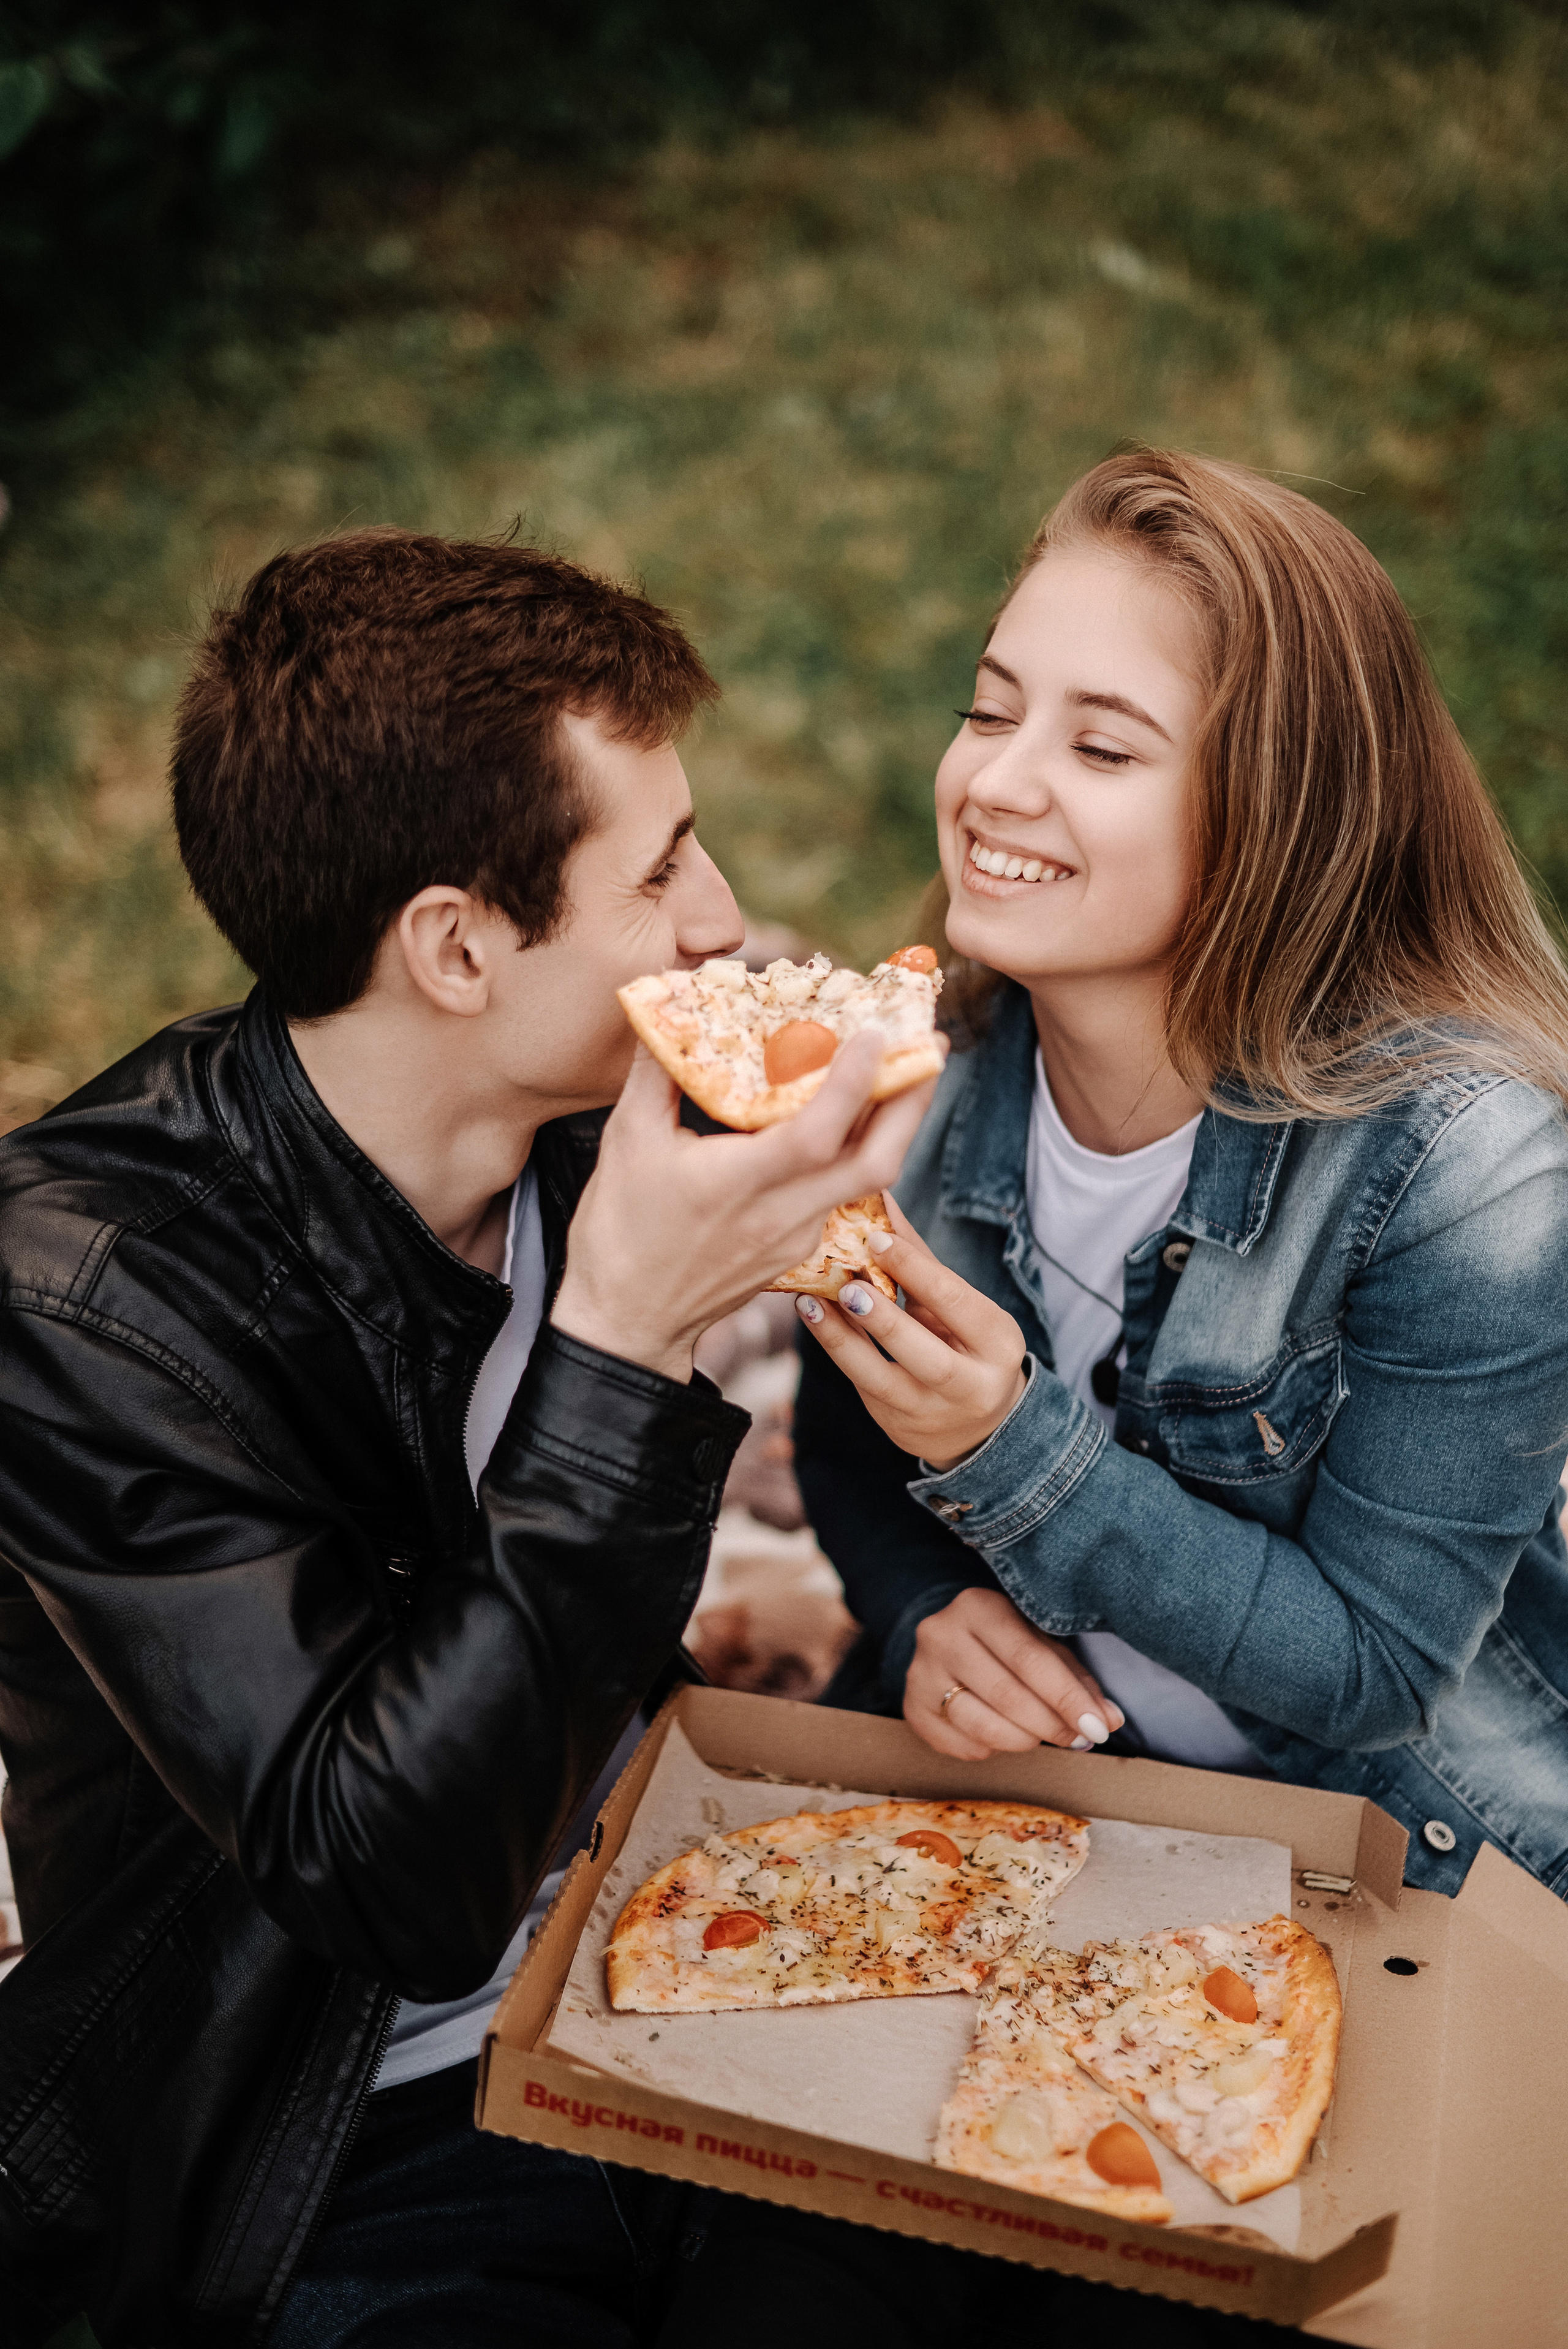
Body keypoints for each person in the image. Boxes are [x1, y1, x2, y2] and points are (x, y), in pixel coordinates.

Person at [0, 529, 937, 2347]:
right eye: (659, 870)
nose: (724, 917)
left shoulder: (605, 1122)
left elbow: (909, 1370)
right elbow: (397, 1885)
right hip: (339, 2131)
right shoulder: (77, 1302)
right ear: (455, 946)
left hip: (678, 1981)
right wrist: (623, 1340)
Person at [795, 448, 1568, 1905]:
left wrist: (1004, 1450)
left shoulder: (1466, 1168)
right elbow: (843, 1437)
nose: (993, 784)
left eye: (1101, 749)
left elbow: (1372, 1669)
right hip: (1036, 1804)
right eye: (987, 708)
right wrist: (921, 1609)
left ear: (1278, 815)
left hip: (1409, 1856)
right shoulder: (926, 1068)